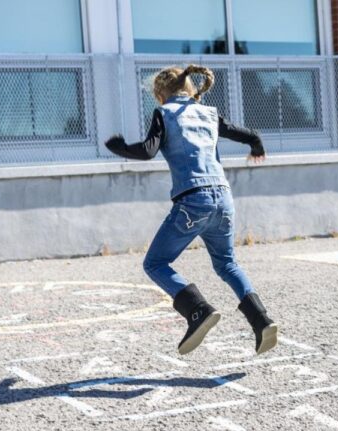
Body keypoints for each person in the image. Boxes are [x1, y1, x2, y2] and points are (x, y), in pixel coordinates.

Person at [105, 64, 279, 356]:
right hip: (223, 199)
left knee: (155, 263)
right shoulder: (209, 113)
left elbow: (148, 150)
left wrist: (120, 147)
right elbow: (247, 134)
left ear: (161, 94)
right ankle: (262, 321)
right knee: (227, 264)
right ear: (189, 89)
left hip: (193, 201)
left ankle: (197, 310)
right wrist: (257, 145)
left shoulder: (165, 113)